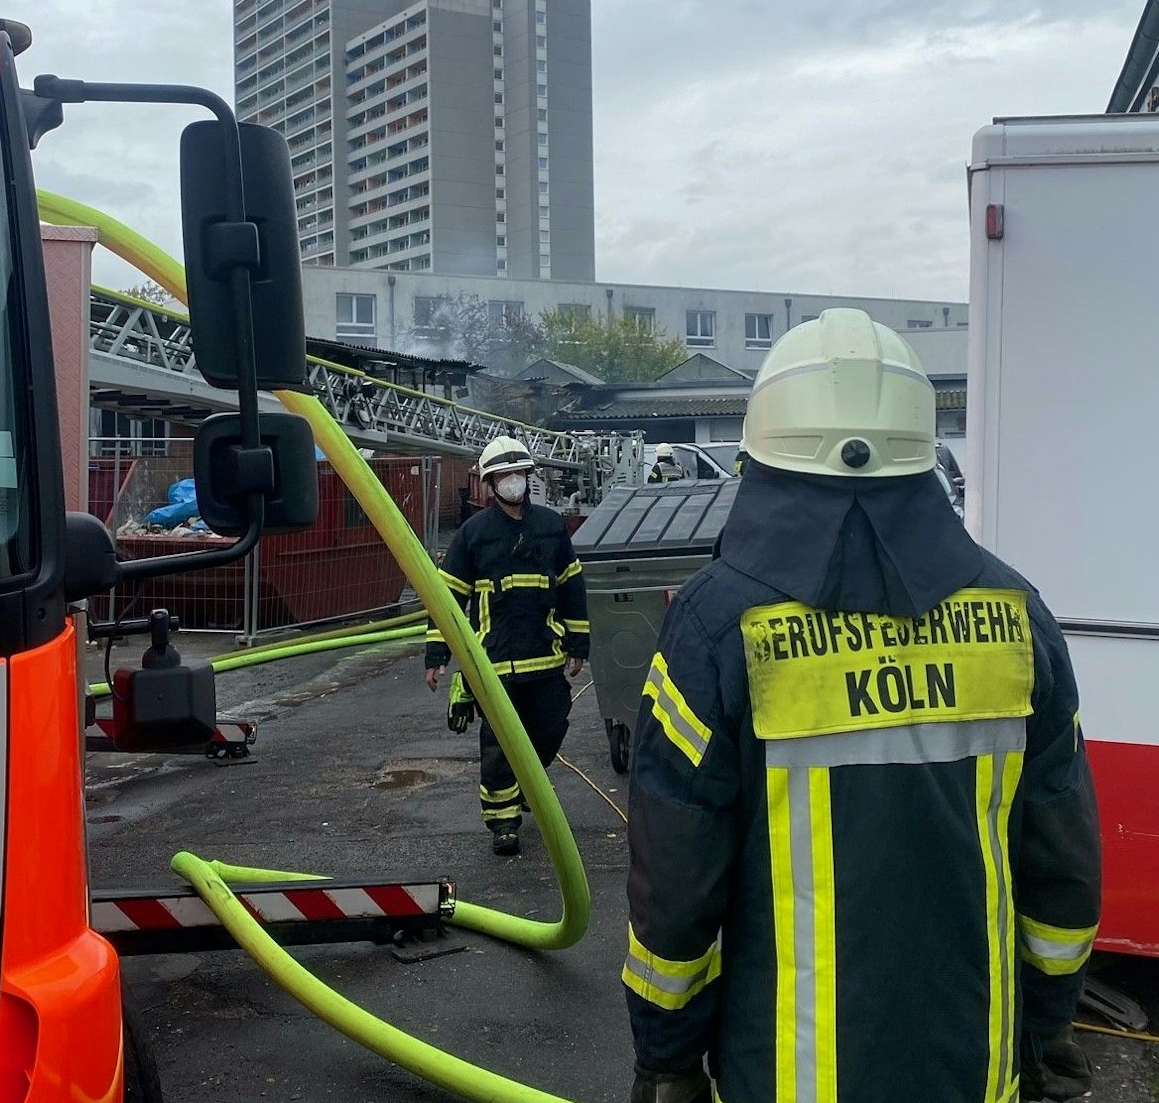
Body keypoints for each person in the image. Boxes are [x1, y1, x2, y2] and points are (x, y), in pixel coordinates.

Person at [622, 310, 1101, 1103]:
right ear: (921, 453)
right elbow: (1064, 873)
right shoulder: (1018, 615)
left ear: (760, 456)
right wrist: (1047, 1024)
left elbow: (676, 886)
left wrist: (666, 1056)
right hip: (979, 1074)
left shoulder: (717, 625)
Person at [427, 436, 590, 856]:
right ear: (490, 483)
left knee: (551, 727)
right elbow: (447, 600)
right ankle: (503, 823)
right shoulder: (472, 535)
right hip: (494, 663)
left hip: (545, 658)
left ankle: (524, 786)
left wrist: (578, 644)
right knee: (499, 744)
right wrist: (437, 655)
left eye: (518, 474)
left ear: (528, 478)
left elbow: (572, 588)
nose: (512, 482)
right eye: (504, 476)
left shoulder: (551, 527)